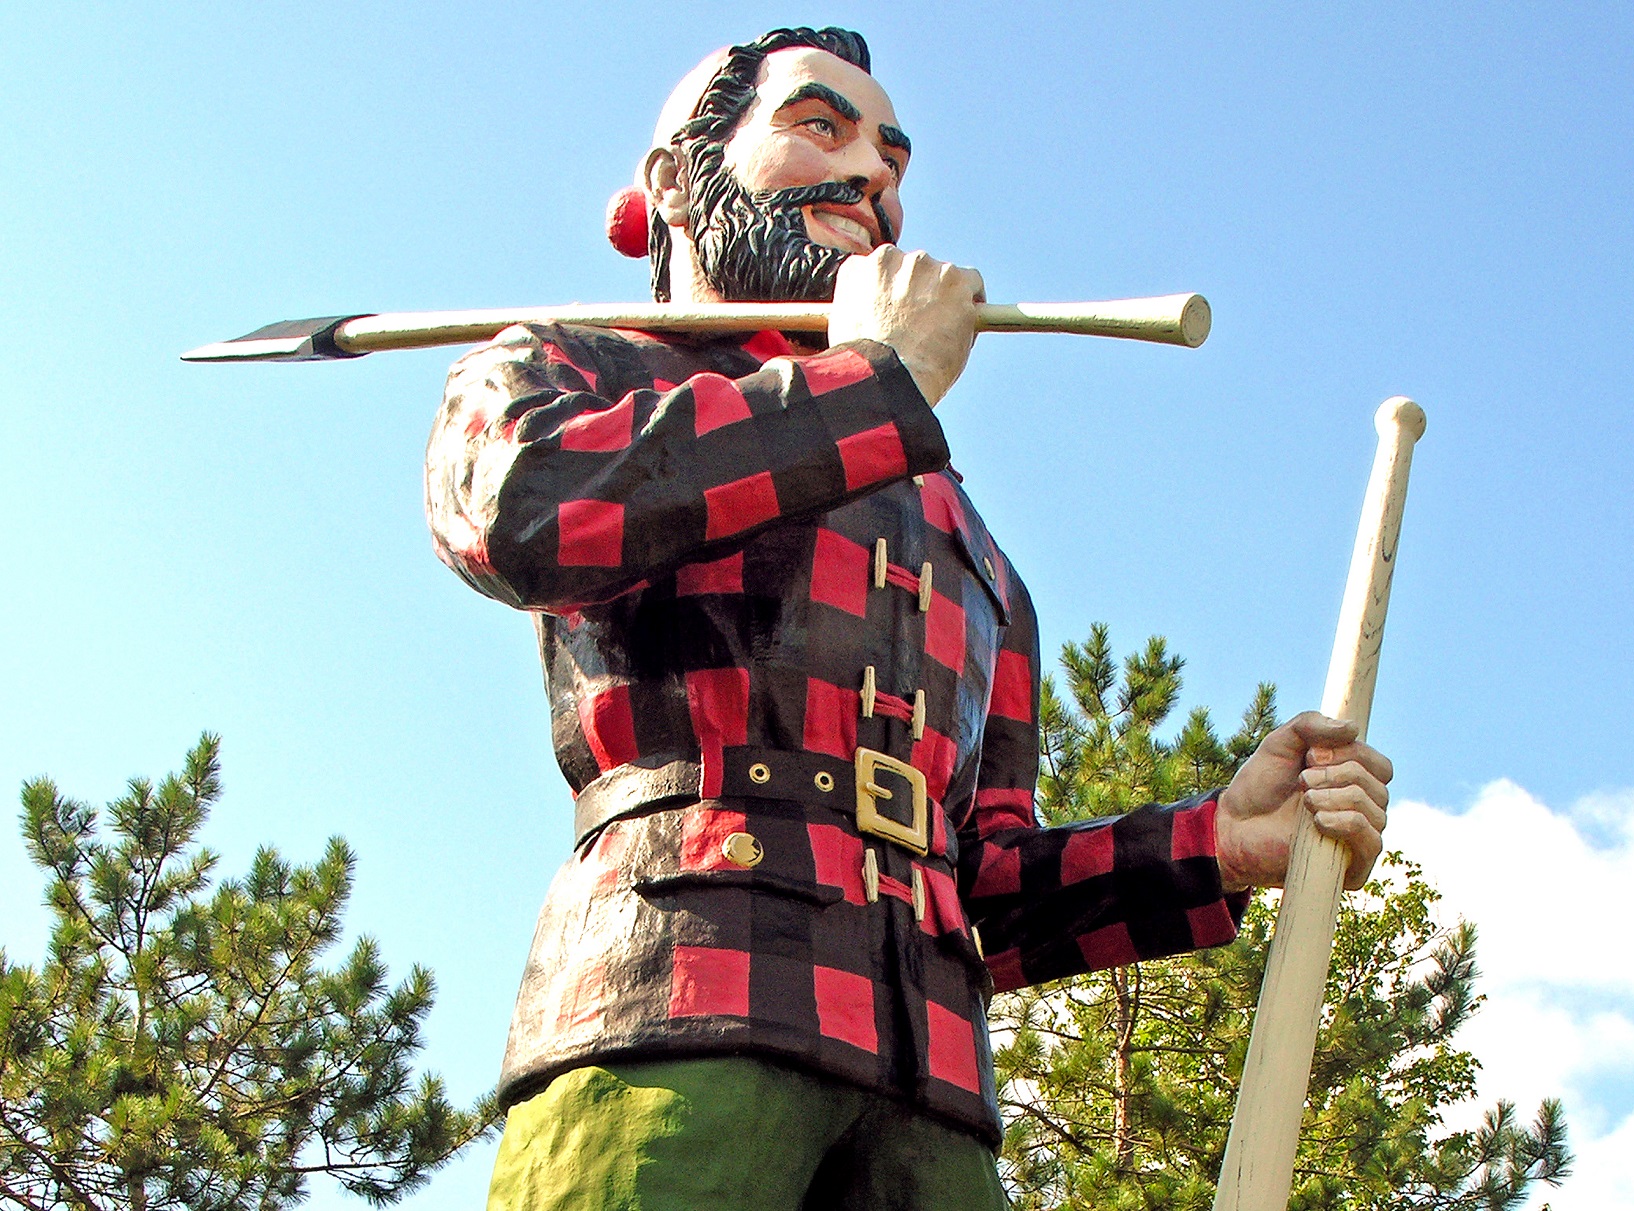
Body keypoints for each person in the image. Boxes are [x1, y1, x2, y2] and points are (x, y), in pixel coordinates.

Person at [424, 26, 1391, 1211]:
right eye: (817, 126)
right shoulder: (572, 367)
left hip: (934, 1077)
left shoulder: (977, 556)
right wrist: (877, 378)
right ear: (673, 180)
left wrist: (1217, 844)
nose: (870, 176)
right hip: (669, 997)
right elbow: (518, 519)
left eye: (890, 156)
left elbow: (985, 886)